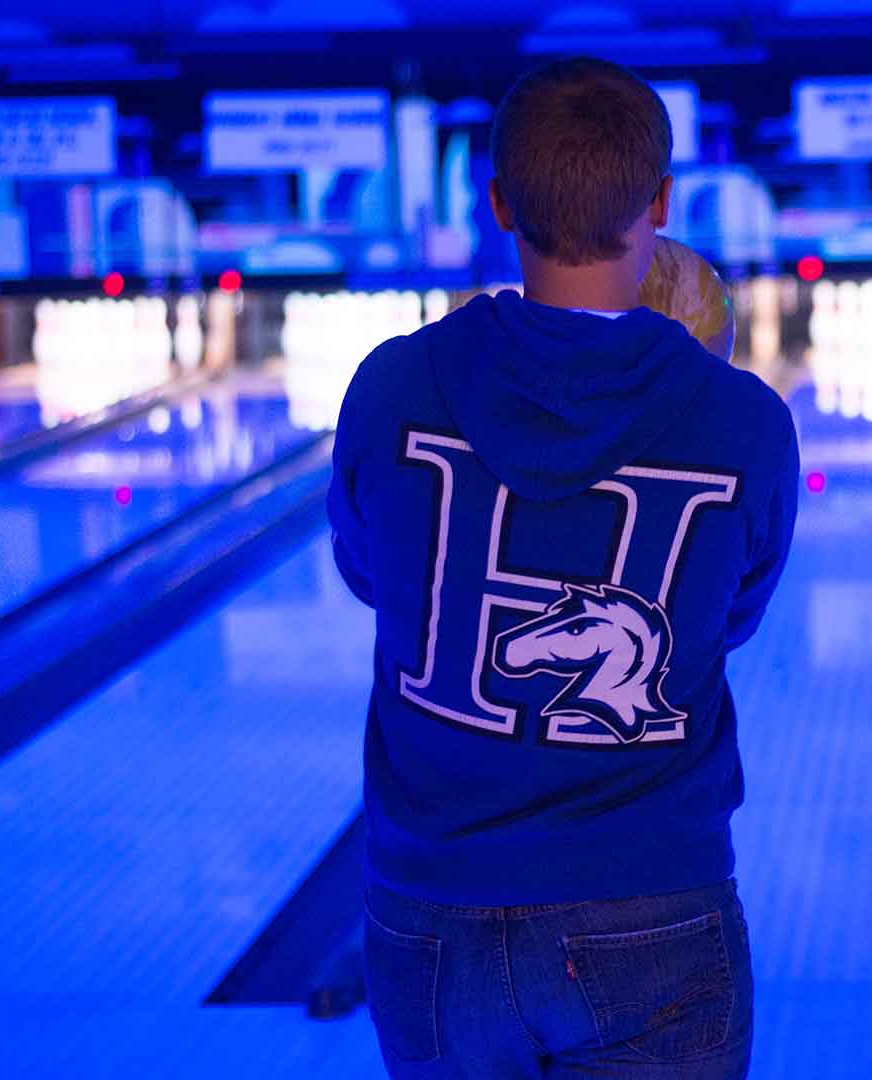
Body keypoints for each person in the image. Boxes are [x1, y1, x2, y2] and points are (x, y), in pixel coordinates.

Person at [327, 57, 798, 1079]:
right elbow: (729, 618)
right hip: (654, 903)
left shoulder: (390, 385)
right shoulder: (747, 422)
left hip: (430, 912)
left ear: (498, 201)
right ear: (661, 203)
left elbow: (370, 574)